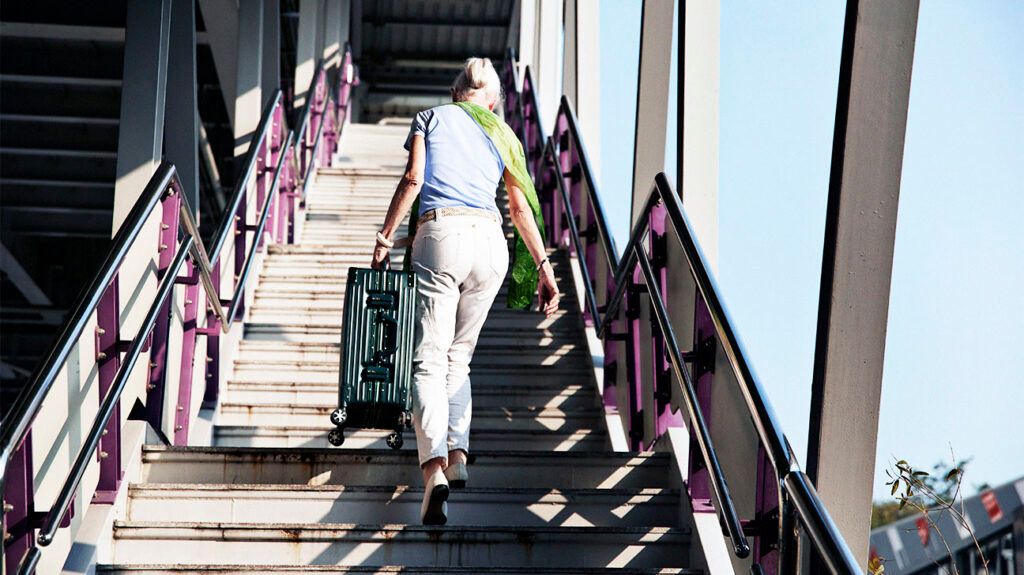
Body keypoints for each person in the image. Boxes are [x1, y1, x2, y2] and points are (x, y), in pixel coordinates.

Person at [370, 57, 559, 525]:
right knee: (460, 357)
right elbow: (518, 209)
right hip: (491, 244)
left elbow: (414, 180)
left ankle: (433, 470)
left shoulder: (431, 118)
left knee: (428, 358)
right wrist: (543, 265)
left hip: (443, 234)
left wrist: (385, 236)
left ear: (459, 92)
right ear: (492, 100)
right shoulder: (503, 134)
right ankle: (458, 455)